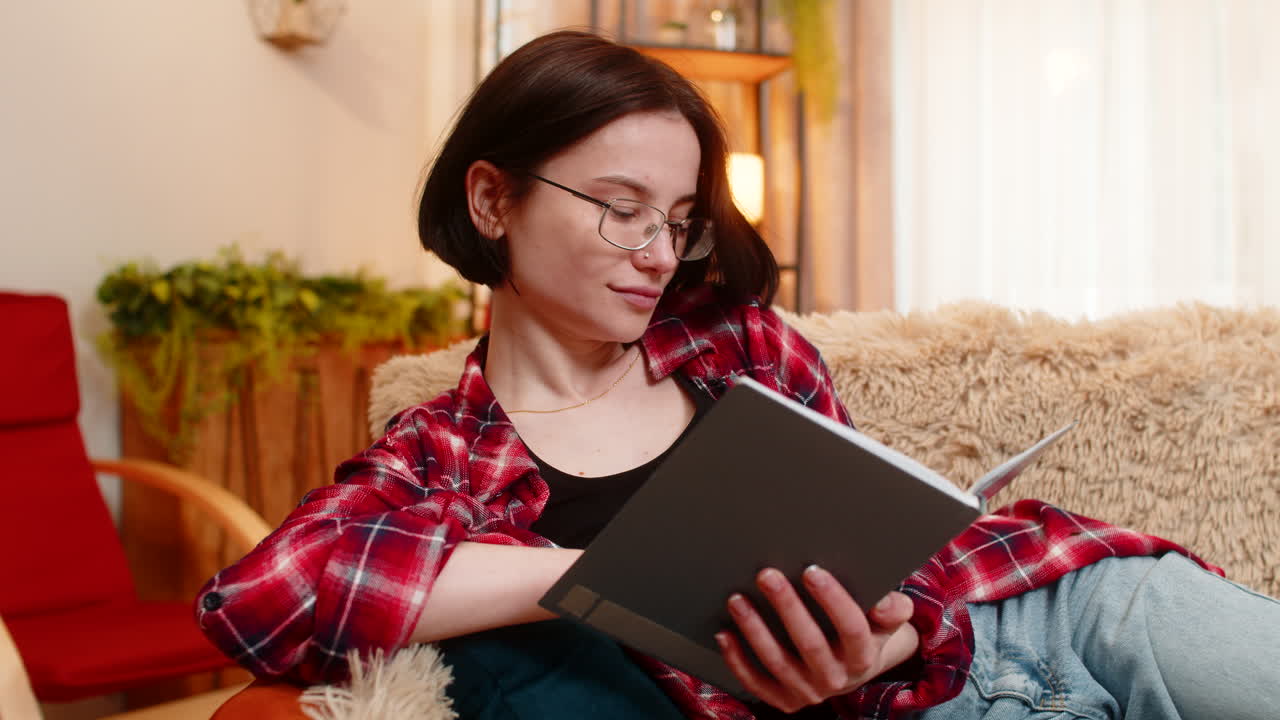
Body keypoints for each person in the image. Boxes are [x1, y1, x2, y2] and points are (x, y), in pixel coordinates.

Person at [196, 30, 1280, 719]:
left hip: (1058, 608)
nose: (659, 253)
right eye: (619, 208)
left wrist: (871, 642)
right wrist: (596, 579)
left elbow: (888, 569)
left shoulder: (741, 350)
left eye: (676, 220)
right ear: (492, 201)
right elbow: (263, 601)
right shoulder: (442, 457)